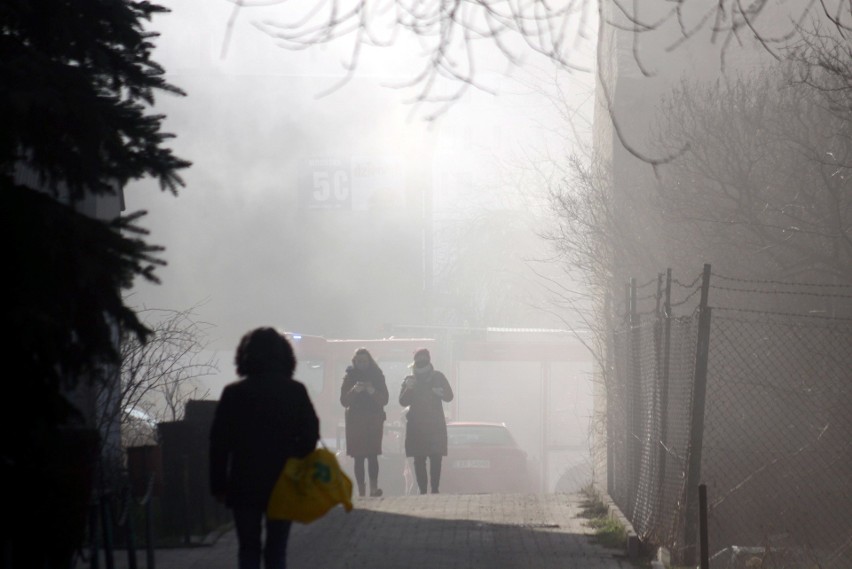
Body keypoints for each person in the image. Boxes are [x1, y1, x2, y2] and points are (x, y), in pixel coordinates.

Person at [209, 327, 320, 569]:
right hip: (284, 481)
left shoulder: (234, 393)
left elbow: (219, 442)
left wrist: (218, 484)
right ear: (285, 357)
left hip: (244, 482)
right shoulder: (295, 391)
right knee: (276, 549)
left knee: (248, 548)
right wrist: (298, 459)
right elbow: (311, 433)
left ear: (245, 356)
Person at [398, 347, 454, 494]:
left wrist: (440, 393)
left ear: (429, 360)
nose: (422, 362)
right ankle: (423, 490)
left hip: (435, 424)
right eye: (419, 359)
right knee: (419, 458)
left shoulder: (438, 376)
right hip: (416, 425)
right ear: (414, 361)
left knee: (436, 458)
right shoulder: (409, 379)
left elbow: (449, 396)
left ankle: (434, 489)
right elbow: (402, 401)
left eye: (424, 358)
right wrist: (408, 388)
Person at [340, 347, 389, 497]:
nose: (362, 364)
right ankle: (361, 491)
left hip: (374, 420)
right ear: (354, 362)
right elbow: (344, 401)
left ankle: (374, 489)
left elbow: (385, 399)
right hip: (355, 422)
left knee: (373, 455)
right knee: (358, 457)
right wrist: (354, 390)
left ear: (370, 361)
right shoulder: (349, 377)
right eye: (359, 361)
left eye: (365, 361)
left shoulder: (377, 375)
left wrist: (372, 390)